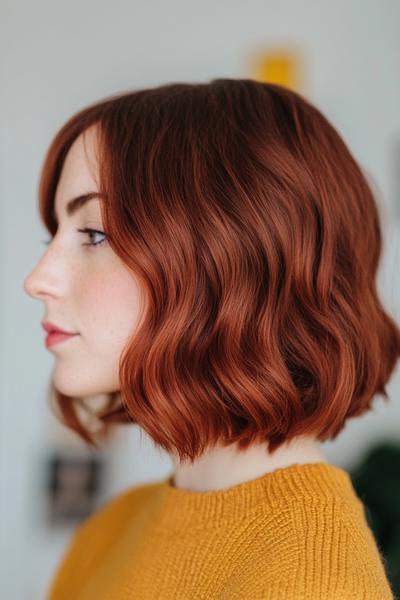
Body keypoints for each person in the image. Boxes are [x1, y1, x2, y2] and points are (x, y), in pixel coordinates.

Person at [23, 78, 399, 599]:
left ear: (231, 259)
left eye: (95, 233)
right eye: (55, 235)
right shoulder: (111, 532)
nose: (37, 279)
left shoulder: (314, 580)